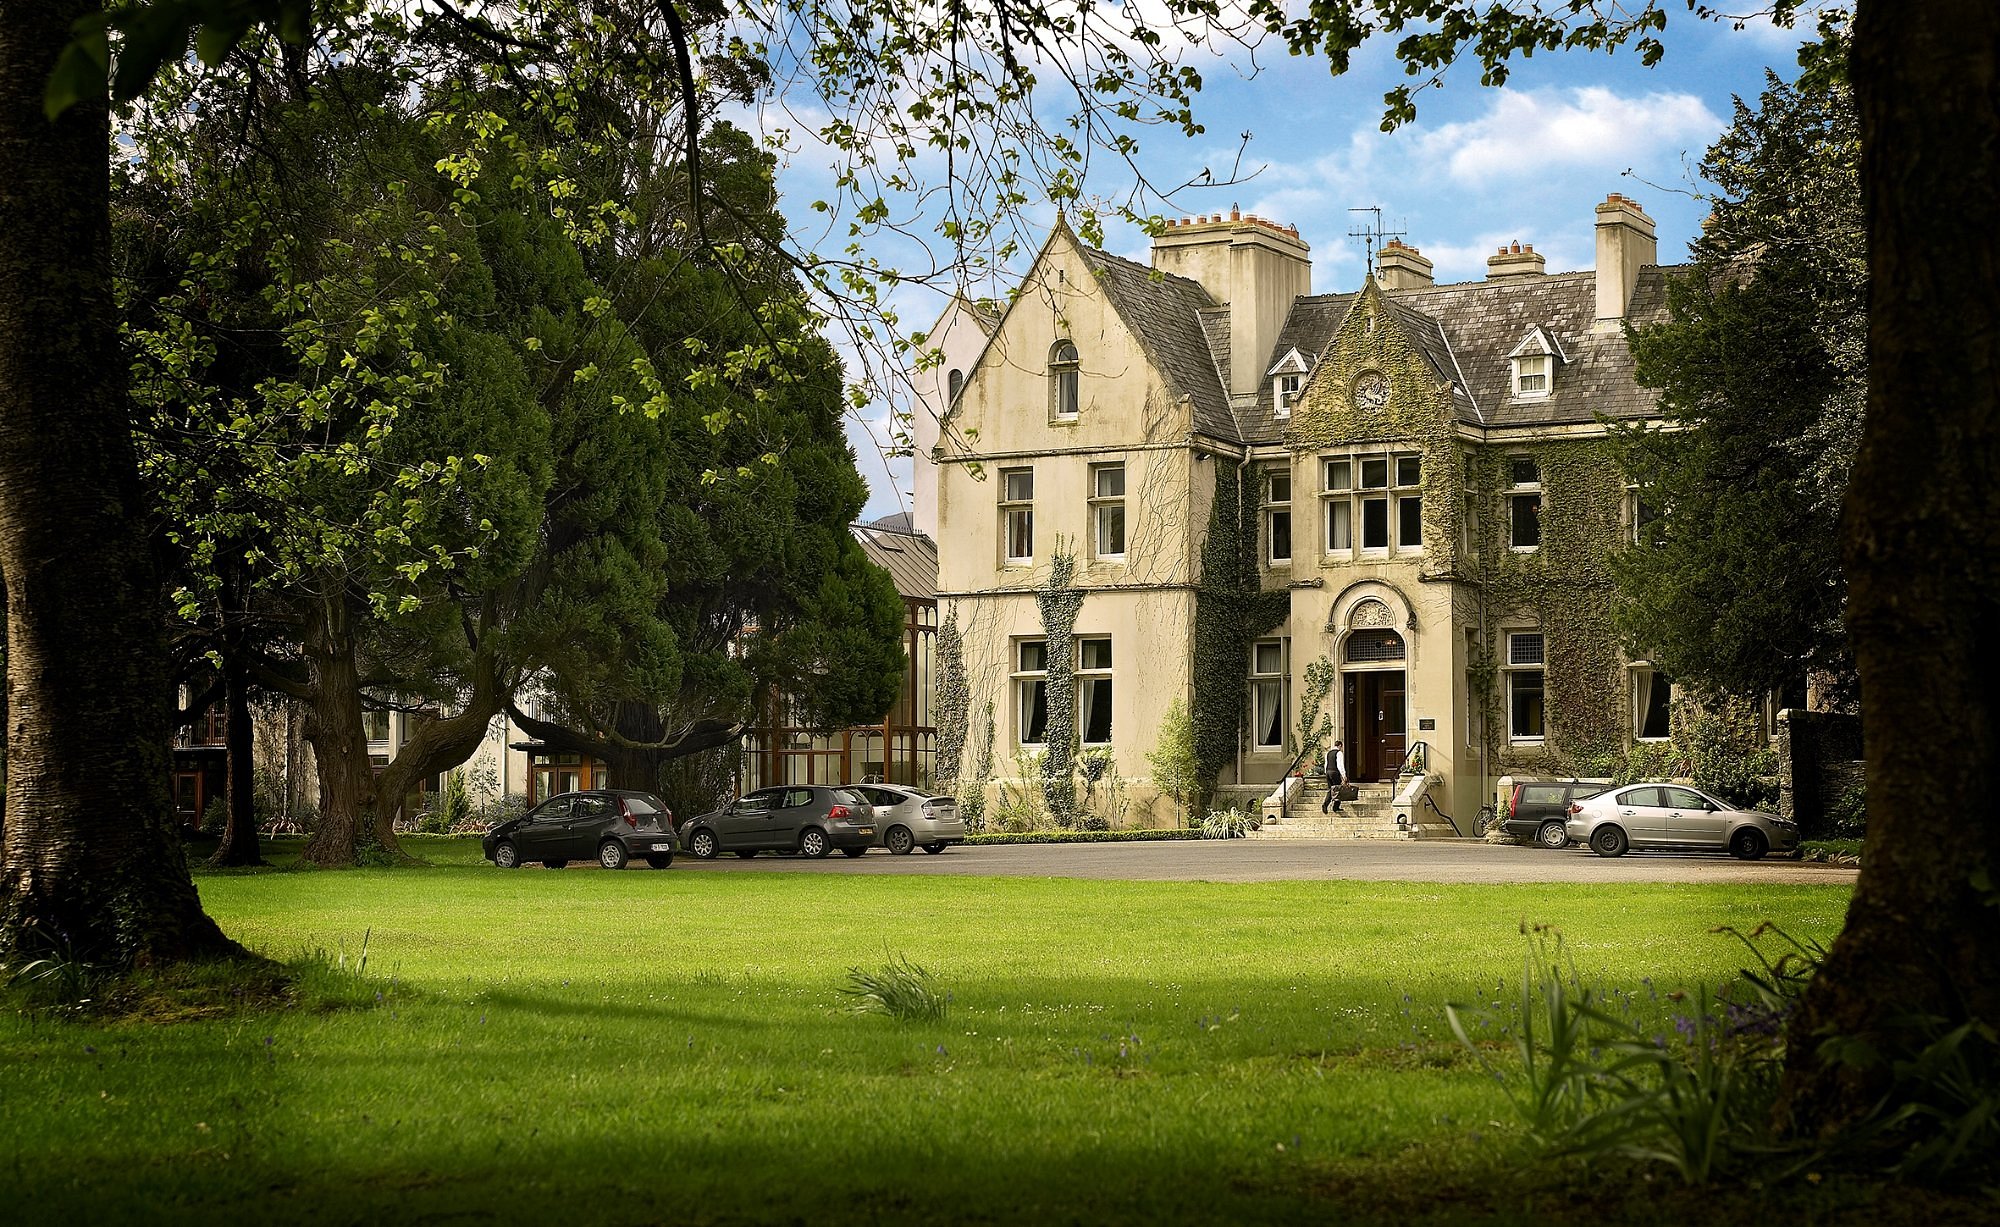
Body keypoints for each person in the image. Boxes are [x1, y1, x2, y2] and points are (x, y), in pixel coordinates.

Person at [1321, 740, 1346, 813]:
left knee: (1330, 789)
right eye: (1342, 747)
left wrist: (1326, 773)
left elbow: (1326, 764)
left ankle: (1325, 804)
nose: (1342, 748)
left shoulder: (1328, 753)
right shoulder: (1339, 753)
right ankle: (1336, 807)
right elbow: (1340, 765)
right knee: (1338, 789)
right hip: (1334, 772)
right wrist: (1344, 775)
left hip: (1328, 772)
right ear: (1340, 745)